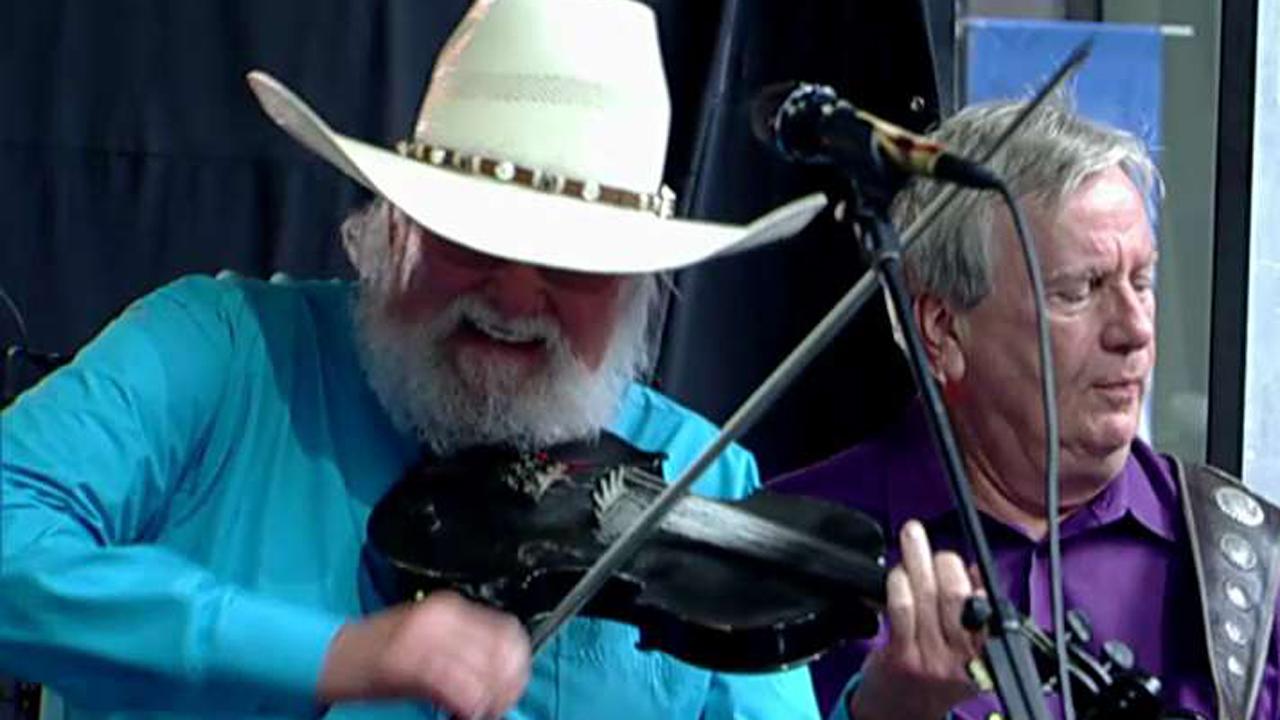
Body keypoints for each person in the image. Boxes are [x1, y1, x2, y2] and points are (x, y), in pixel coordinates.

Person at [0, 1, 830, 718]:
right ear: (394, 226)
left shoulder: (700, 474)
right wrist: (331, 655)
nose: (514, 297)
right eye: (472, 236)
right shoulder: (220, 351)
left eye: (573, 264)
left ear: (637, 286)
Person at [772, 100, 1280, 720]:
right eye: (1080, 290)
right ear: (942, 330)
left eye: (1141, 281)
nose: (1134, 330)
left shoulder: (1251, 563)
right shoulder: (779, 553)